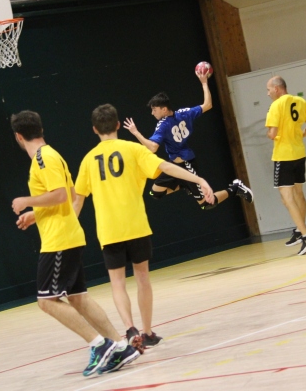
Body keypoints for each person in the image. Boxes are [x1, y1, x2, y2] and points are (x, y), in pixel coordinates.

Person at [9, 110, 141, 376]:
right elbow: (69, 195)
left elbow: (59, 195)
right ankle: (119, 345)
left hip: (59, 240)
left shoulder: (43, 158)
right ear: (41, 129)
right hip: (67, 234)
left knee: (46, 301)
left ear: (18, 136)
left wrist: (27, 201)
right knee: (78, 298)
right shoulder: (50, 155)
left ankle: (98, 344)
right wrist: (37, 214)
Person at [74, 103, 215, 348]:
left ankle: (130, 330)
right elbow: (166, 166)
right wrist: (198, 178)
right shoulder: (132, 150)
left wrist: (68, 230)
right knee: (142, 279)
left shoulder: (87, 160)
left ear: (95, 129)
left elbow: (78, 200)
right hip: (136, 226)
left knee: (117, 283)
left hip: (109, 230)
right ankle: (147, 332)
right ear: (118, 125)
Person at [123, 71, 252, 210]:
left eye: (154, 110)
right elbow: (208, 104)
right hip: (175, 165)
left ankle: (235, 188)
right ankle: (184, 183)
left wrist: (136, 133)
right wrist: (204, 82)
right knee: (155, 192)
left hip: (186, 163)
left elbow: (153, 148)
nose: (152, 113)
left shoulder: (163, 125)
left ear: (164, 109)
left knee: (206, 204)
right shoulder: (184, 113)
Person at [265, 76, 306, 255]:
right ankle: (299, 230)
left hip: (284, 155)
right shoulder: (301, 101)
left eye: (269, 90)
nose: (268, 93)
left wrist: (270, 135)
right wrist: (298, 137)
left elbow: (272, 134)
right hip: (299, 153)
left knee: (286, 197)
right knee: (298, 195)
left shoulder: (276, 106)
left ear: (277, 89)